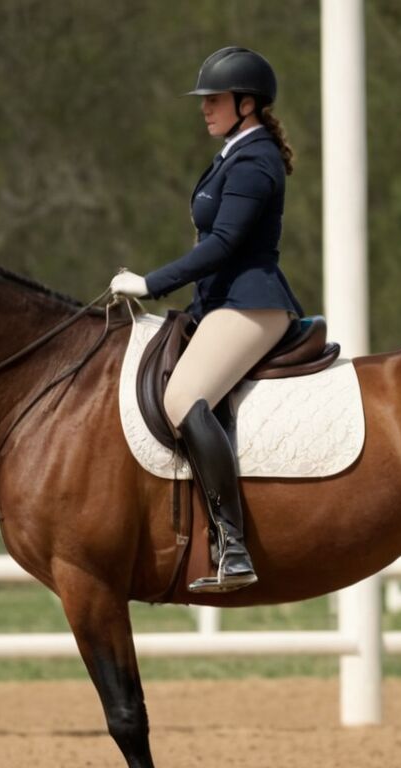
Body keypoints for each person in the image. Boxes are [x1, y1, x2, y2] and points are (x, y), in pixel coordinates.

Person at [110, 46, 303, 593]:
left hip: (250, 301)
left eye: (215, 99)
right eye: (205, 99)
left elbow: (222, 245)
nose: (204, 107)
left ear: (247, 104)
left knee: (181, 398)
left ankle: (232, 544)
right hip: (219, 302)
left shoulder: (255, 159)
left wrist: (151, 283)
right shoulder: (231, 155)